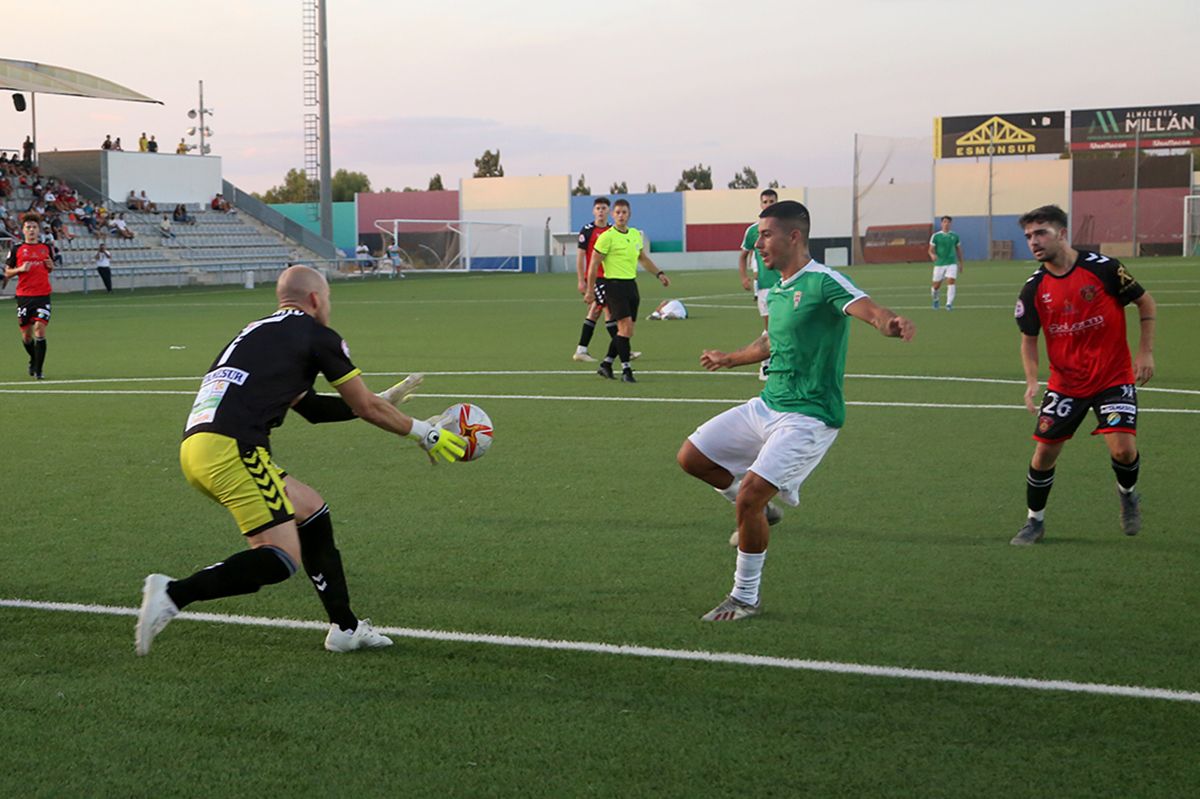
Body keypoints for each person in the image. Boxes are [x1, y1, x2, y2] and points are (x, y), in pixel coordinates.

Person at [135, 265, 467, 656]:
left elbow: (311, 407)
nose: (329, 306)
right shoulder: (317, 335)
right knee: (279, 558)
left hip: (200, 446)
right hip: (233, 449)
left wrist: (382, 400)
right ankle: (174, 593)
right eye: (328, 298)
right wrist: (424, 433)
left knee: (310, 508)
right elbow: (363, 408)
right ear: (315, 299)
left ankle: (344, 628)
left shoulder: (260, 331)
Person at [676, 201, 915, 621]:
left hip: (809, 416)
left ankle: (744, 597)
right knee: (692, 457)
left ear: (794, 236)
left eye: (765, 235)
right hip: (768, 404)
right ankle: (763, 510)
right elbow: (769, 342)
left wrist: (890, 322)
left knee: (748, 496)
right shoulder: (780, 288)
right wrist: (729, 358)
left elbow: (870, 310)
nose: (758, 243)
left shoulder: (823, 281)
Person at [1010, 205, 1156, 546]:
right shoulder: (1034, 288)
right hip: (1066, 384)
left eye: (1041, 232)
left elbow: (1146, 303)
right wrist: (1032, 380)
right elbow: (1028, 339)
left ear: (1062, 233)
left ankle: (1128, 494)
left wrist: (1145, 352)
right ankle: (1034, 522)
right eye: (1029, 236)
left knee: (1123, 451)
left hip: (1113, 377)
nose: (1034, 241)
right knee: (1043, 454)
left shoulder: (1103, 269)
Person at [584, 199, 668, 383]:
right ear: (613, 215)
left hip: (631, 286)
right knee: (625, 327)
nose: (621, 215)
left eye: (624, 212)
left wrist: (659, 274)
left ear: (629, 214)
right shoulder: (606, 237)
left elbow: (643, 258)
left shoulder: (635, 235)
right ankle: (626, 370)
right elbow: (594, 264)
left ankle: (606, 364)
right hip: (613, 286)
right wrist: (589, 290)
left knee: (627, 332)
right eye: (618, 212)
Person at [573, 197, 638, 363]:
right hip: (597, 279)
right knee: (606, 312)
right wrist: (582, 281)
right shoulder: (587, 230)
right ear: (593, 211)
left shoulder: (613, 230)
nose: (601, 211)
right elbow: (581, 257)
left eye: (604, 208)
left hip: (610, 278)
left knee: (600, 311)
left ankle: (584, 349)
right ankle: (622, 348)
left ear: (609, 211)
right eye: (598, 208)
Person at [3, 212, 56, 379]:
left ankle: (39, 370)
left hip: (42, 295)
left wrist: (51, 266)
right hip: (24, 297)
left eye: (34, 227)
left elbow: (49, 267)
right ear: (23, 230)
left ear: (38, 230)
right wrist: (19, 269)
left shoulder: (45, 248)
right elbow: (7, 273)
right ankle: (33, 358)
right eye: (28, 227)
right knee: (26, 336)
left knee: (40, 329)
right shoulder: (17, 249)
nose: (31, 230)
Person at [737, 188, 780, 379]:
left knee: (787, 325)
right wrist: (744, 276)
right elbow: (743, 255)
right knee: (772, 328)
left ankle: (780, 363)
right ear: (761, 204)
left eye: (772, 202)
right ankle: (766, 364)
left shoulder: (785, 228)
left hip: (786, 284)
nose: (768, 205)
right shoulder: (753, 231)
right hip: (765, 286)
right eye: (765, 202)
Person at [929, 215, 965, 310]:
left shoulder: (955, 236)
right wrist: (932, 255)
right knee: (936, 286)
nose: (946, 224)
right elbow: (930, 250)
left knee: (951, 281)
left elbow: (959, 250)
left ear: (950, 223)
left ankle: (949, 304)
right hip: (939, 264)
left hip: (951, 262)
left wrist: (961, 263)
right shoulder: (936, 236)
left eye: (948, 222)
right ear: (941, 223)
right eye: (944, 222)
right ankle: (936, 299)